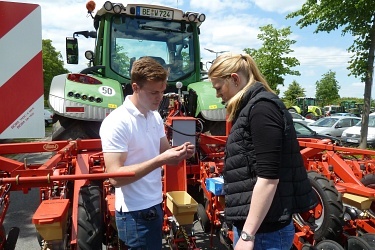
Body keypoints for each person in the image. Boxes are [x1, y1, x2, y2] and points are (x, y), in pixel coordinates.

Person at [208, 53, 317, 250]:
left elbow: (268, 179)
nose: (217, 94)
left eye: (218, 87)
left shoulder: (261, 109)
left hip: (264, 234)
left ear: (234, 79)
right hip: (260, 229)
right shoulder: (252, 108)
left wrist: (248, 235)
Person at [100, 57, 195, 249]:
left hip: (154, 205)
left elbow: (166, 154)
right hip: (133, 214)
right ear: (135, 87)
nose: (159, 97)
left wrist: (181, 153)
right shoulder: (117, 122)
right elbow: (115, 178)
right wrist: (161, 159)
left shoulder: (155, 117)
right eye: (153, 92)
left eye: (162, 91)